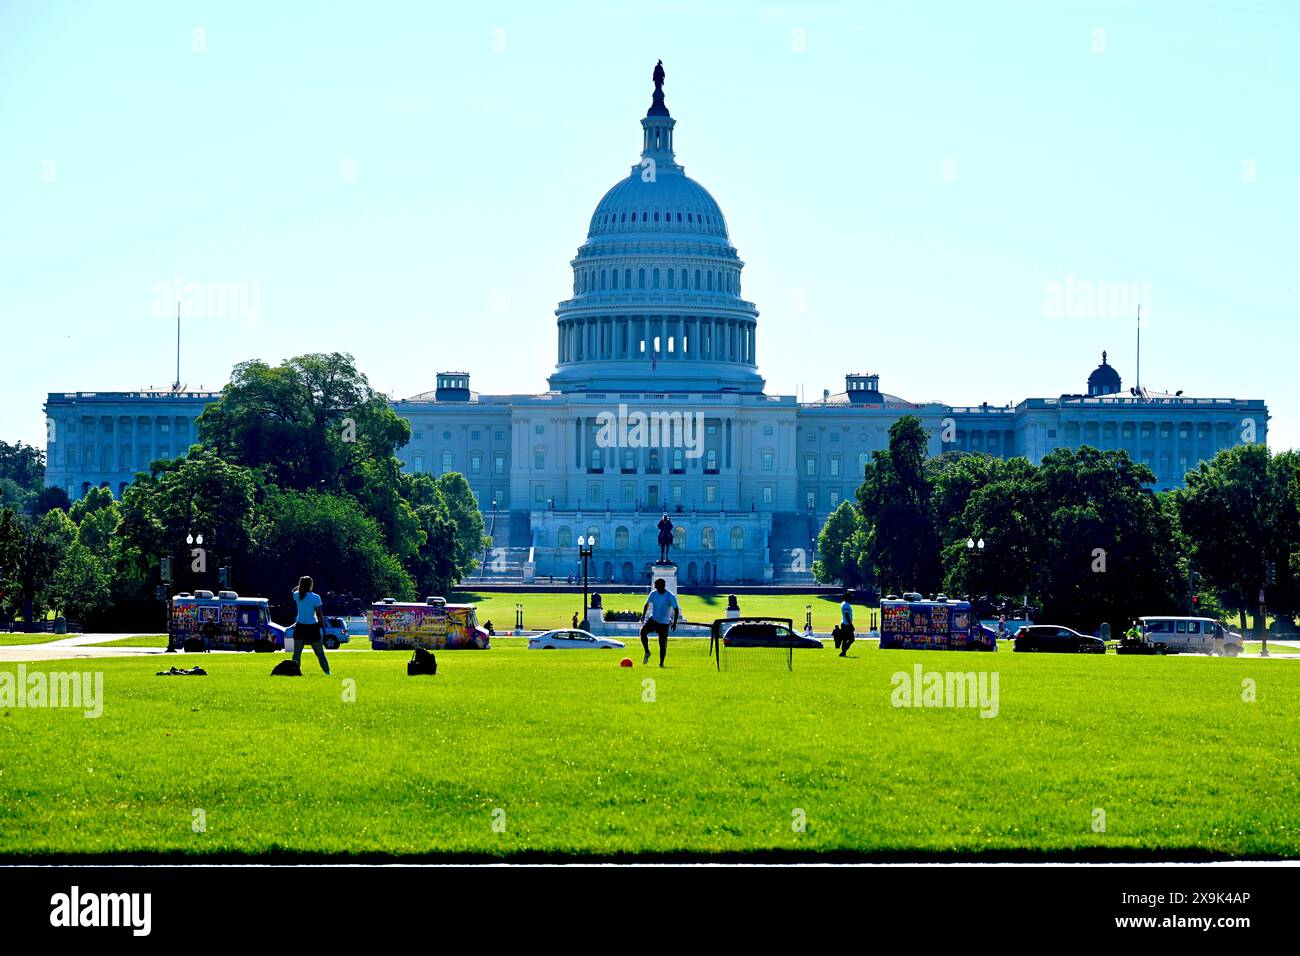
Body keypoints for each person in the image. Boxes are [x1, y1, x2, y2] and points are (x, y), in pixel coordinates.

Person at [290, 575, 331, 675]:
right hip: (312, 628)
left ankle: (295, 673)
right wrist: (323, 627)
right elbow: (319, 614)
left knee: (297, 653)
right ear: (311, 585)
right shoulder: (316, 597)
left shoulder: (297, 595)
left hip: (300, 627)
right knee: (320, 654)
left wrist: (300, 586)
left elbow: (293, 591)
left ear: (301, 585)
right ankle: (328, 673)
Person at [640, 577, 679, 667]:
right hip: (653, 619)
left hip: (664, 623)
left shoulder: (670, 596)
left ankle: (661, 663)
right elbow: (646, 604)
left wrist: (674, 622)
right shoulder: (653, 593)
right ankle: (647, 652)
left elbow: (676, 609)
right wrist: (643, 615)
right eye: (655, 586)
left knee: (662, 644)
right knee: (642, 632)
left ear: (662, 586)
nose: (656, 588)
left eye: (657, 586)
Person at [838, 591, 855, 657]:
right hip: (846, 624)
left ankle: (843, 652)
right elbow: (847, 615)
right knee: (851, 639)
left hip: (844, 624)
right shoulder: (846, 605)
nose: (851, 598)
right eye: (850, 597)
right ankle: (843, 651)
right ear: (847, 597)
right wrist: (851, 625)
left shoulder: (843, 604)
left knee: (845, 639)